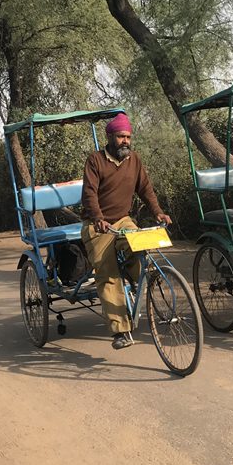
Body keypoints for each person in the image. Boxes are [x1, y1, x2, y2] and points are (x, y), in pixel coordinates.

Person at [80, 113, 172, 350]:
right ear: (110, 137)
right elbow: (89, 194)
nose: (125, 141)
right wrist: (98, 218)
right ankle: (120, 331)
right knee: (108, 274)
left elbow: (146, 190)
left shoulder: (135, 160)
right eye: (121, 136)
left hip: (123, 221)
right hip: (97, 225)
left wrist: (158, 212)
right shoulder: (95, 160)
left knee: (142, 251)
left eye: (128, 137)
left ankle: (149, 297)